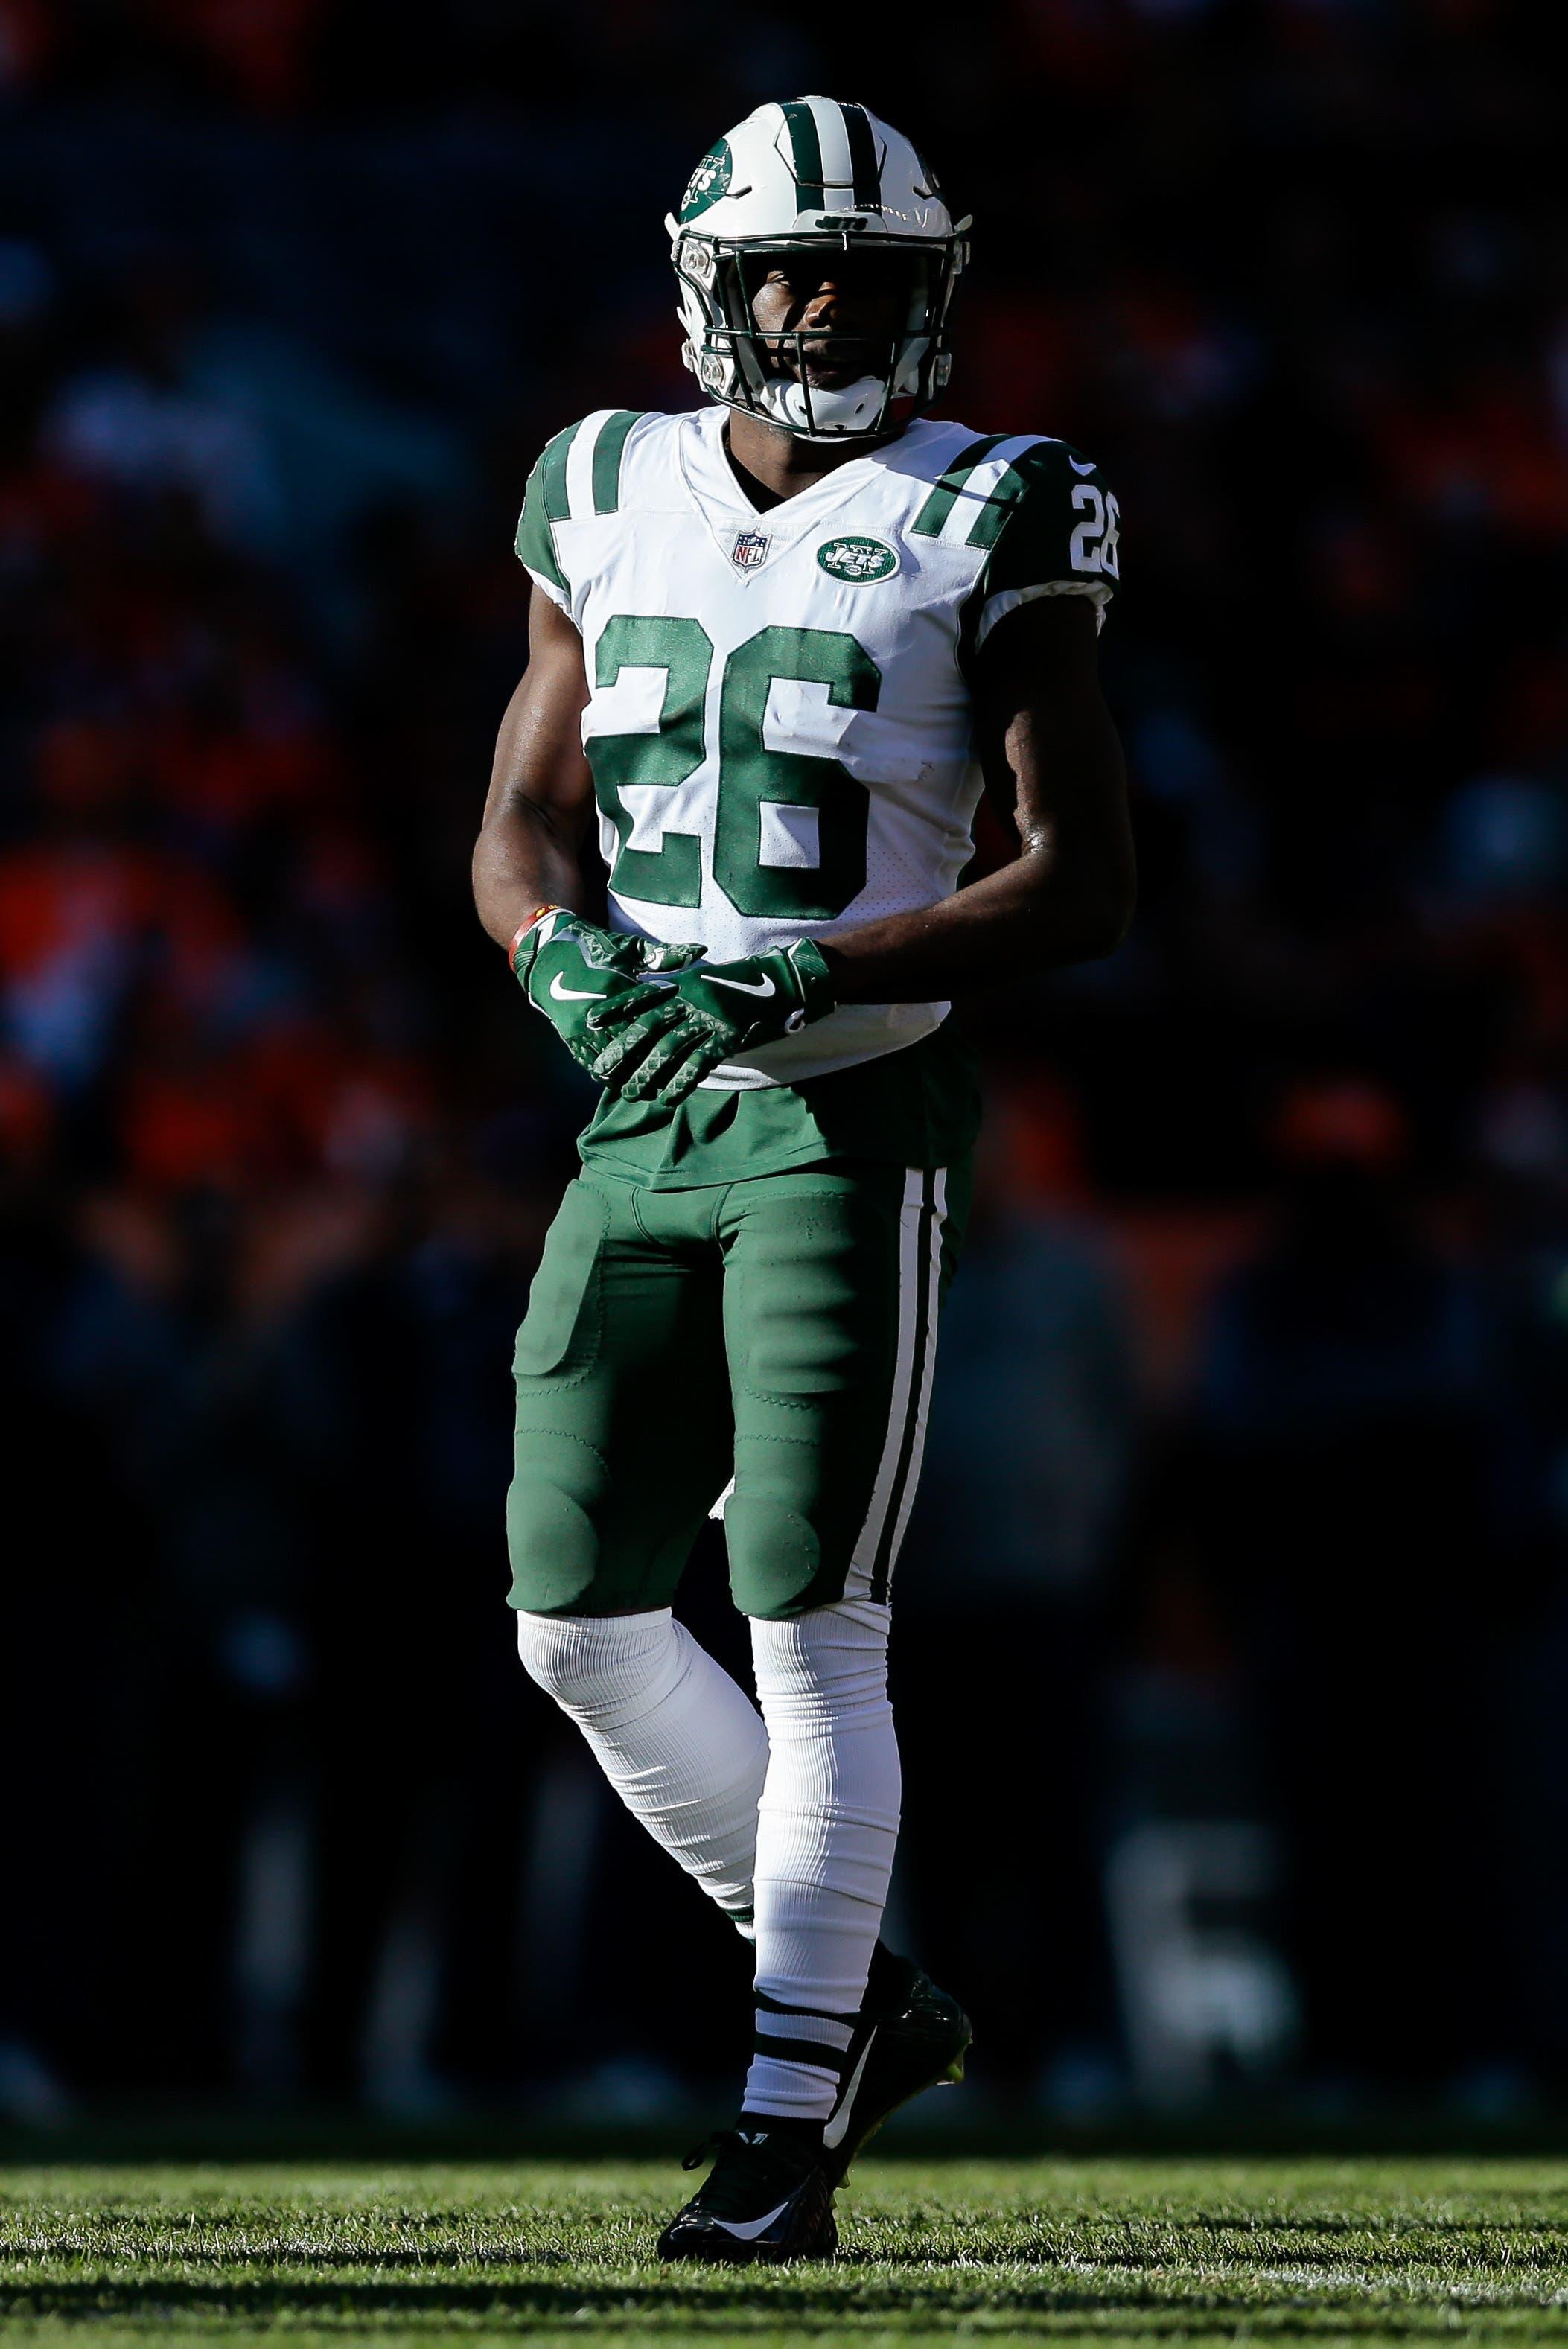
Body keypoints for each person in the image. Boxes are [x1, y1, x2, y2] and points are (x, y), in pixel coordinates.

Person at [472, 96, 1133, 2261]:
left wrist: (805, 973)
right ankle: (860, 2001)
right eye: (790, 273)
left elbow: (1078, 879)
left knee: (805, 1619)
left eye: (868, 275)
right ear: (711, 287)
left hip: (849, 1109)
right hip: (640, 1100)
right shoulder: (597, 479)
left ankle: (782, 2121)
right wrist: (554, 946)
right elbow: (520, 814)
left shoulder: (998, 503)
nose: (827, 307)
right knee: (568, 1613)